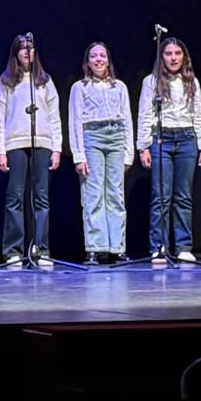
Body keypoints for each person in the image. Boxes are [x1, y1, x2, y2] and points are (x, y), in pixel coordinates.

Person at [136, 37, 201, 265]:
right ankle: (159, 246)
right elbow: (144, 114)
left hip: (187, 139)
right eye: (168, 54)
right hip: (162, 139)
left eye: (178, 53)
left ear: (184, 57)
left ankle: (183, 246)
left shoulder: (192, 82)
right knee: (161, 196)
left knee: (183, 196)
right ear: (162, 57)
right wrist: (143, 146)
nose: (173, 58)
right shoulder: (151, 82)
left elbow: (199, 114)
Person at [0, 34, 62, 269]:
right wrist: (0, 150)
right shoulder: (6, 81)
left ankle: (41, 249)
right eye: (21, 48)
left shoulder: (44, 81)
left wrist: (57, 148)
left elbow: (54, 117)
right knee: (15, 197)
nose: (26, 52)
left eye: (29, 48)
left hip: (42, 142)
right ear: (15, 53)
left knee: (41, 198)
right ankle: (13, 250)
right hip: (15, 144)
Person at [68, 41, 135, 264]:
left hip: (116, 136)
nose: (98, 60)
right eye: (94, 56)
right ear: (87, 61)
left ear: (108, 60)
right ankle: (95, 247)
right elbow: (75, 121)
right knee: (93, 192)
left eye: (102, 56)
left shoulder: (120, 87)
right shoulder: (80, 87)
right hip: (92, 136)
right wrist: (78, 155)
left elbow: (127, 119)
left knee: (115, 193)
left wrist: (129, 153)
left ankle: (117, 247)